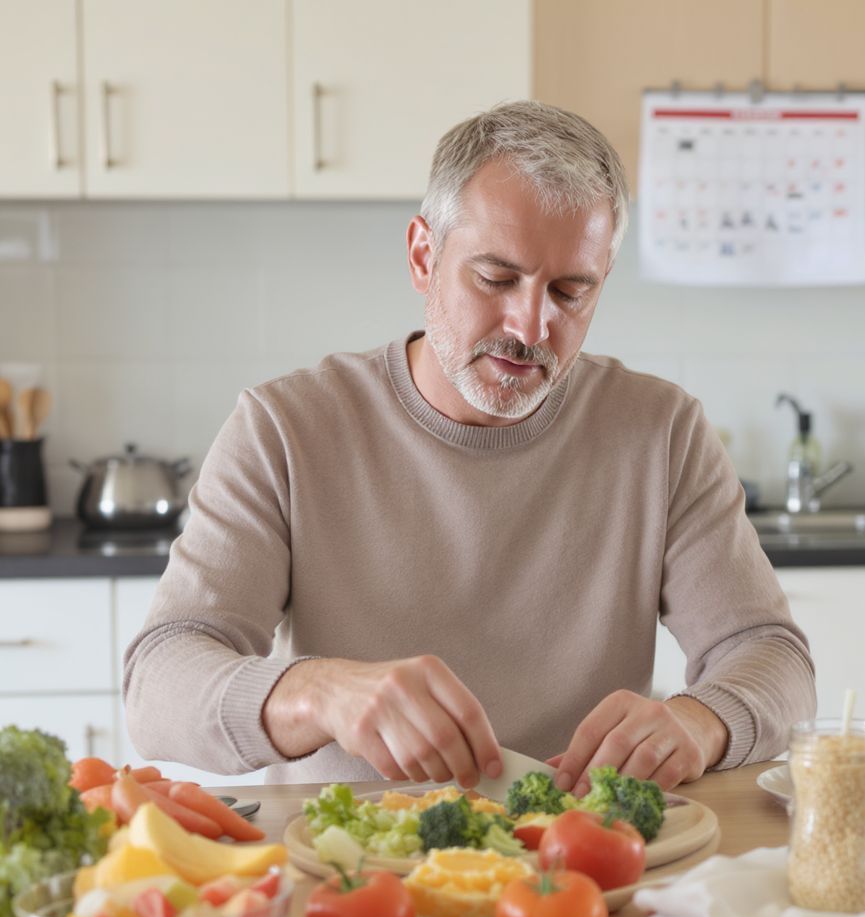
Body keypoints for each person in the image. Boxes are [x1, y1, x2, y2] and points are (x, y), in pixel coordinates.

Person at [124, 101, 815, 793]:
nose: (532, 325)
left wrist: (700, 720)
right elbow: (158, 686)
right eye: (496, 278)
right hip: (355, 868)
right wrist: (319, 692)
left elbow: (771, 658)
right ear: (424, 255)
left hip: (582, 864)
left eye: (572, 291)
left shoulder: (661, 431)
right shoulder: (284, 427)